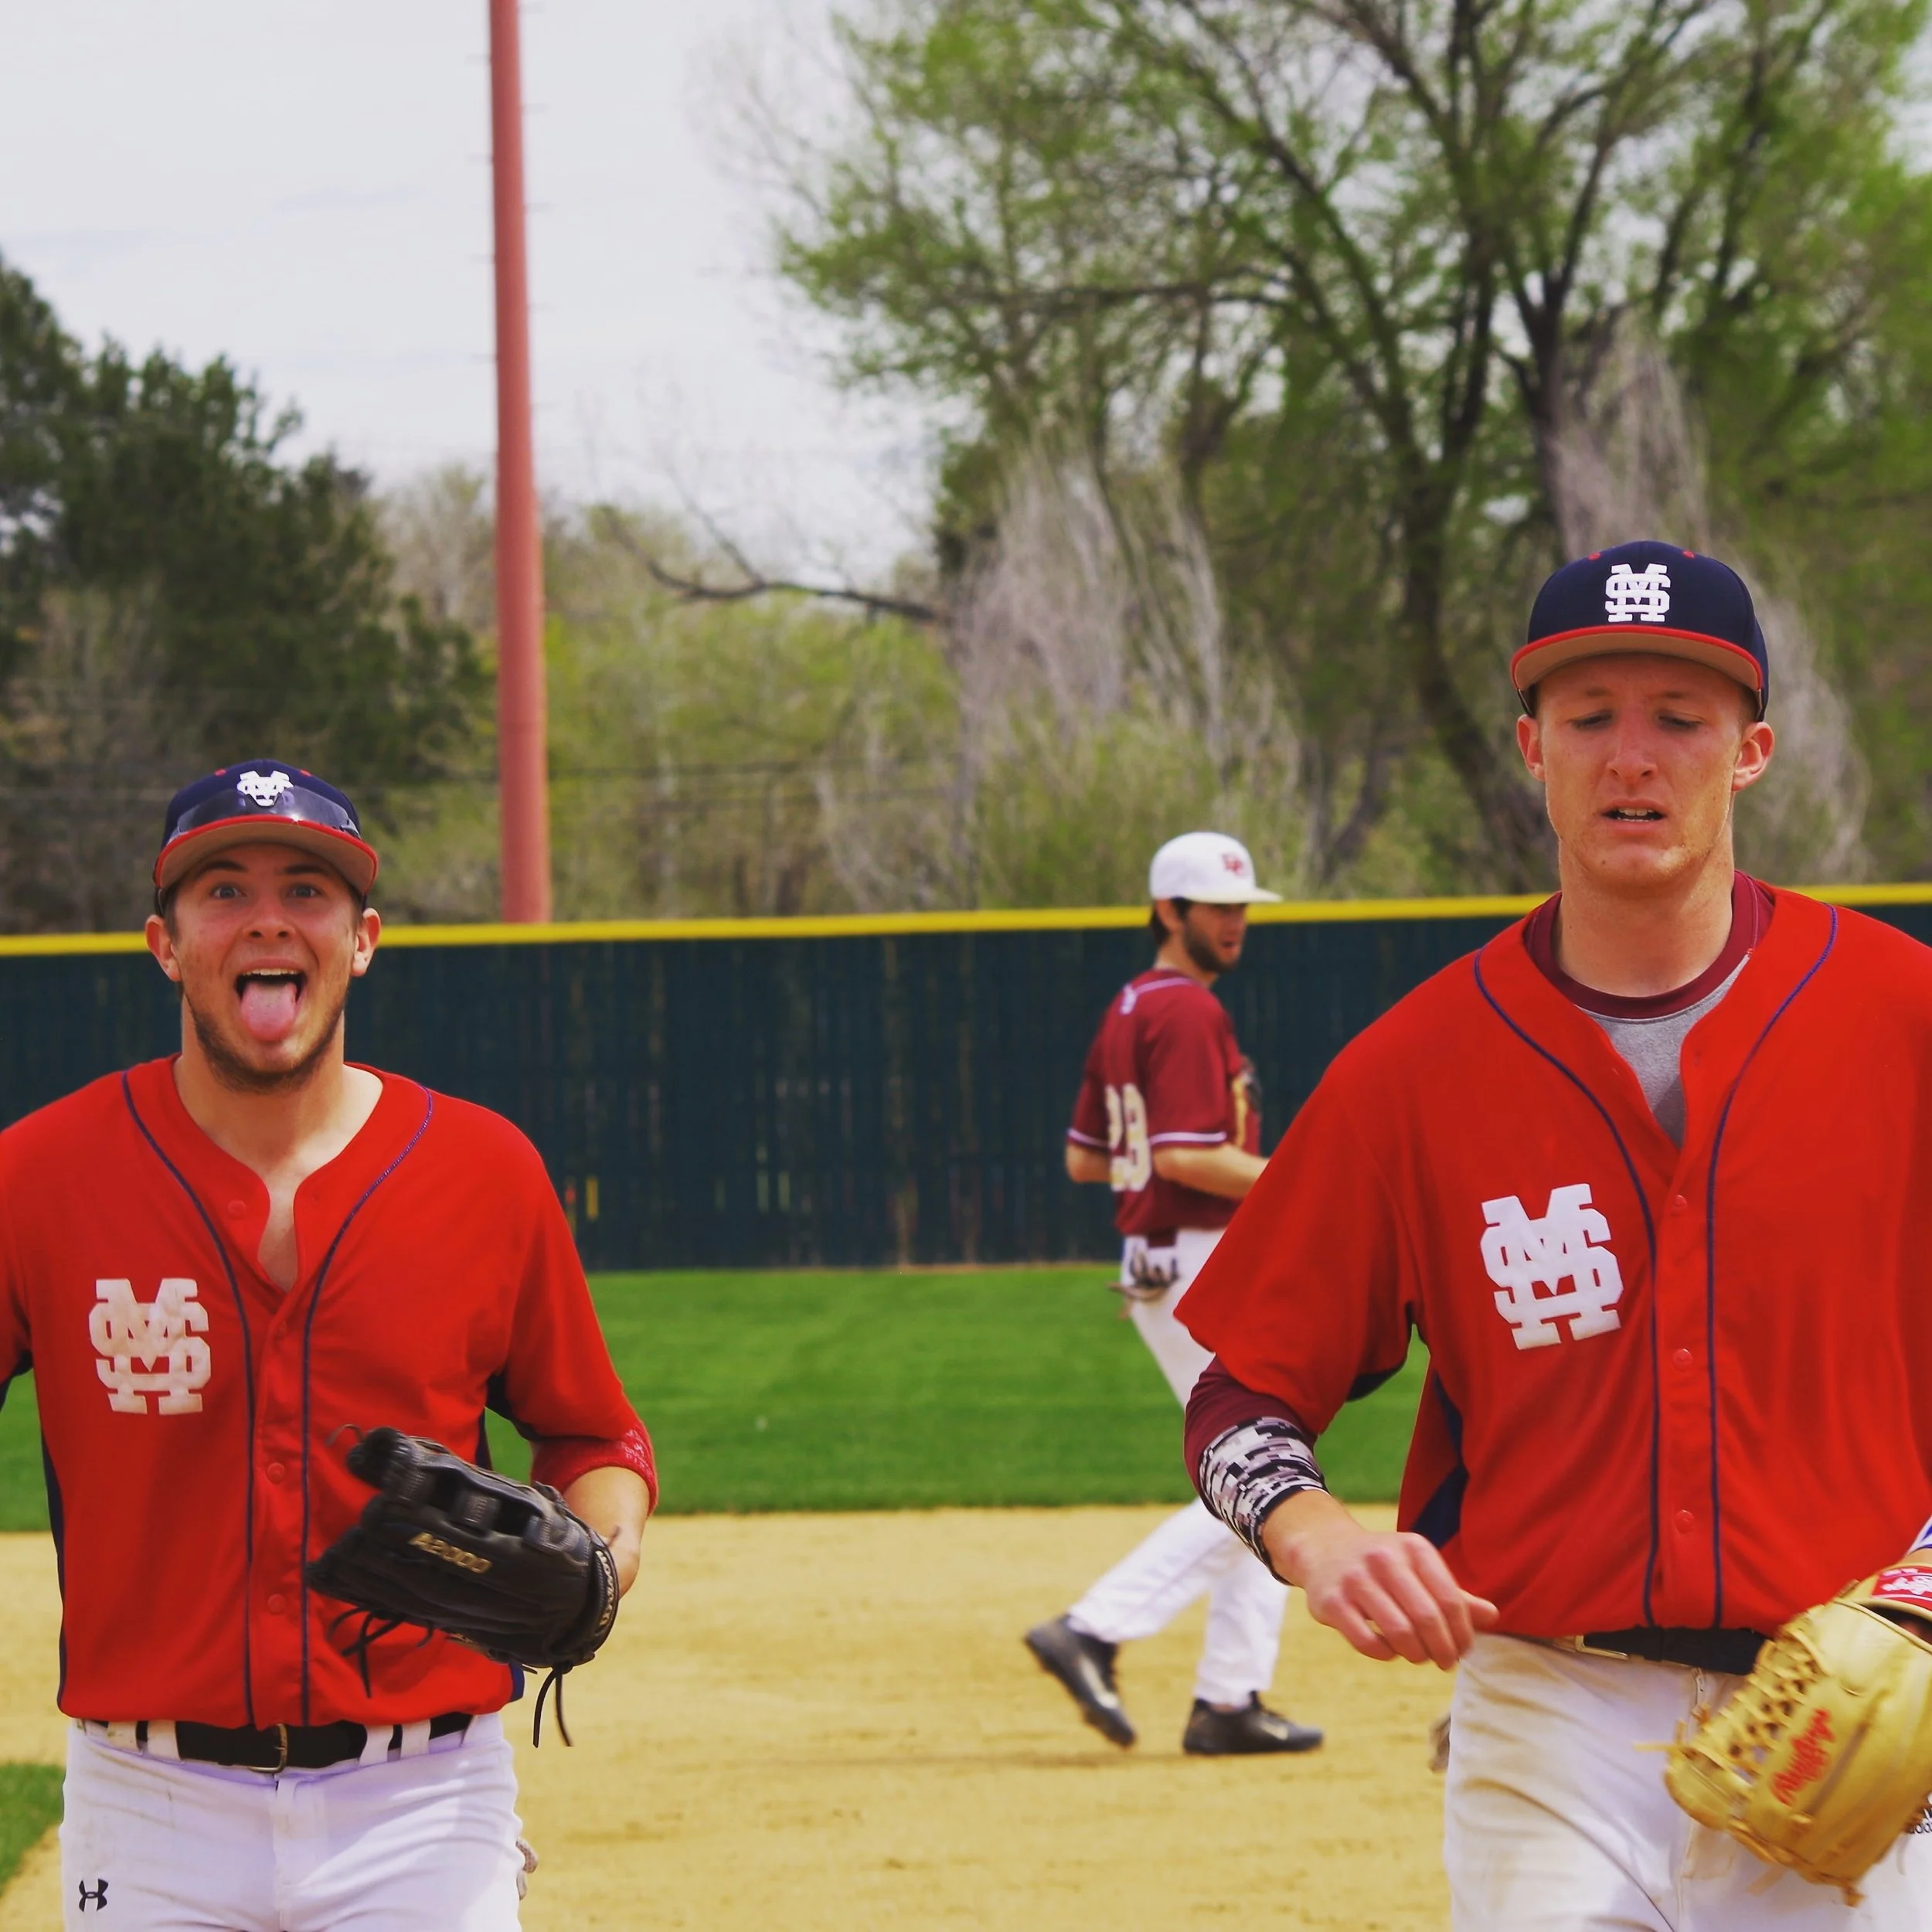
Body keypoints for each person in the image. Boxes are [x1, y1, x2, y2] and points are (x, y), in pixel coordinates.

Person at [1178, 539, 1932, 1926]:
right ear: (1534, 747)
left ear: (1751, 750)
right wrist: (1318, 1537)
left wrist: (1925, 1597)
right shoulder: (1415, 1070)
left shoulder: (1902, 1014)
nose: (1630, 757)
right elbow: (1237, 1400)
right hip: (1552, 1716)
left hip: (1854, 1710)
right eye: (1591, 717)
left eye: (1679, 718)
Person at [0, 760, 656, 1932]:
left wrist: (600, 1563)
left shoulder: (482, 1171)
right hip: (146, 1803)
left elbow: (590, 1431)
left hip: (421, 1802)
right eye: (223, 891)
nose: (267, 919)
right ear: (165, 942)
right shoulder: (40, 1177)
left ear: (363, 940)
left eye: (308, 890)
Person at [1026, 832, 1322, 1757]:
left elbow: (1084, 1158)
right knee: (1263, 1467)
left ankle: (1229, 1699)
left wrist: (1147, 1217)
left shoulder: (1129, 1006)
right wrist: (1304, 1180)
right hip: (1199, 1255)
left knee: (1255, 1459)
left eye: (1241, 908)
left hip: (1164, 1254)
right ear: (1169, 911)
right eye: (1215, 908)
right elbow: (1188, 1154)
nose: (1234, 924)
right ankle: (1096, 1626)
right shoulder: (1185, 1011)